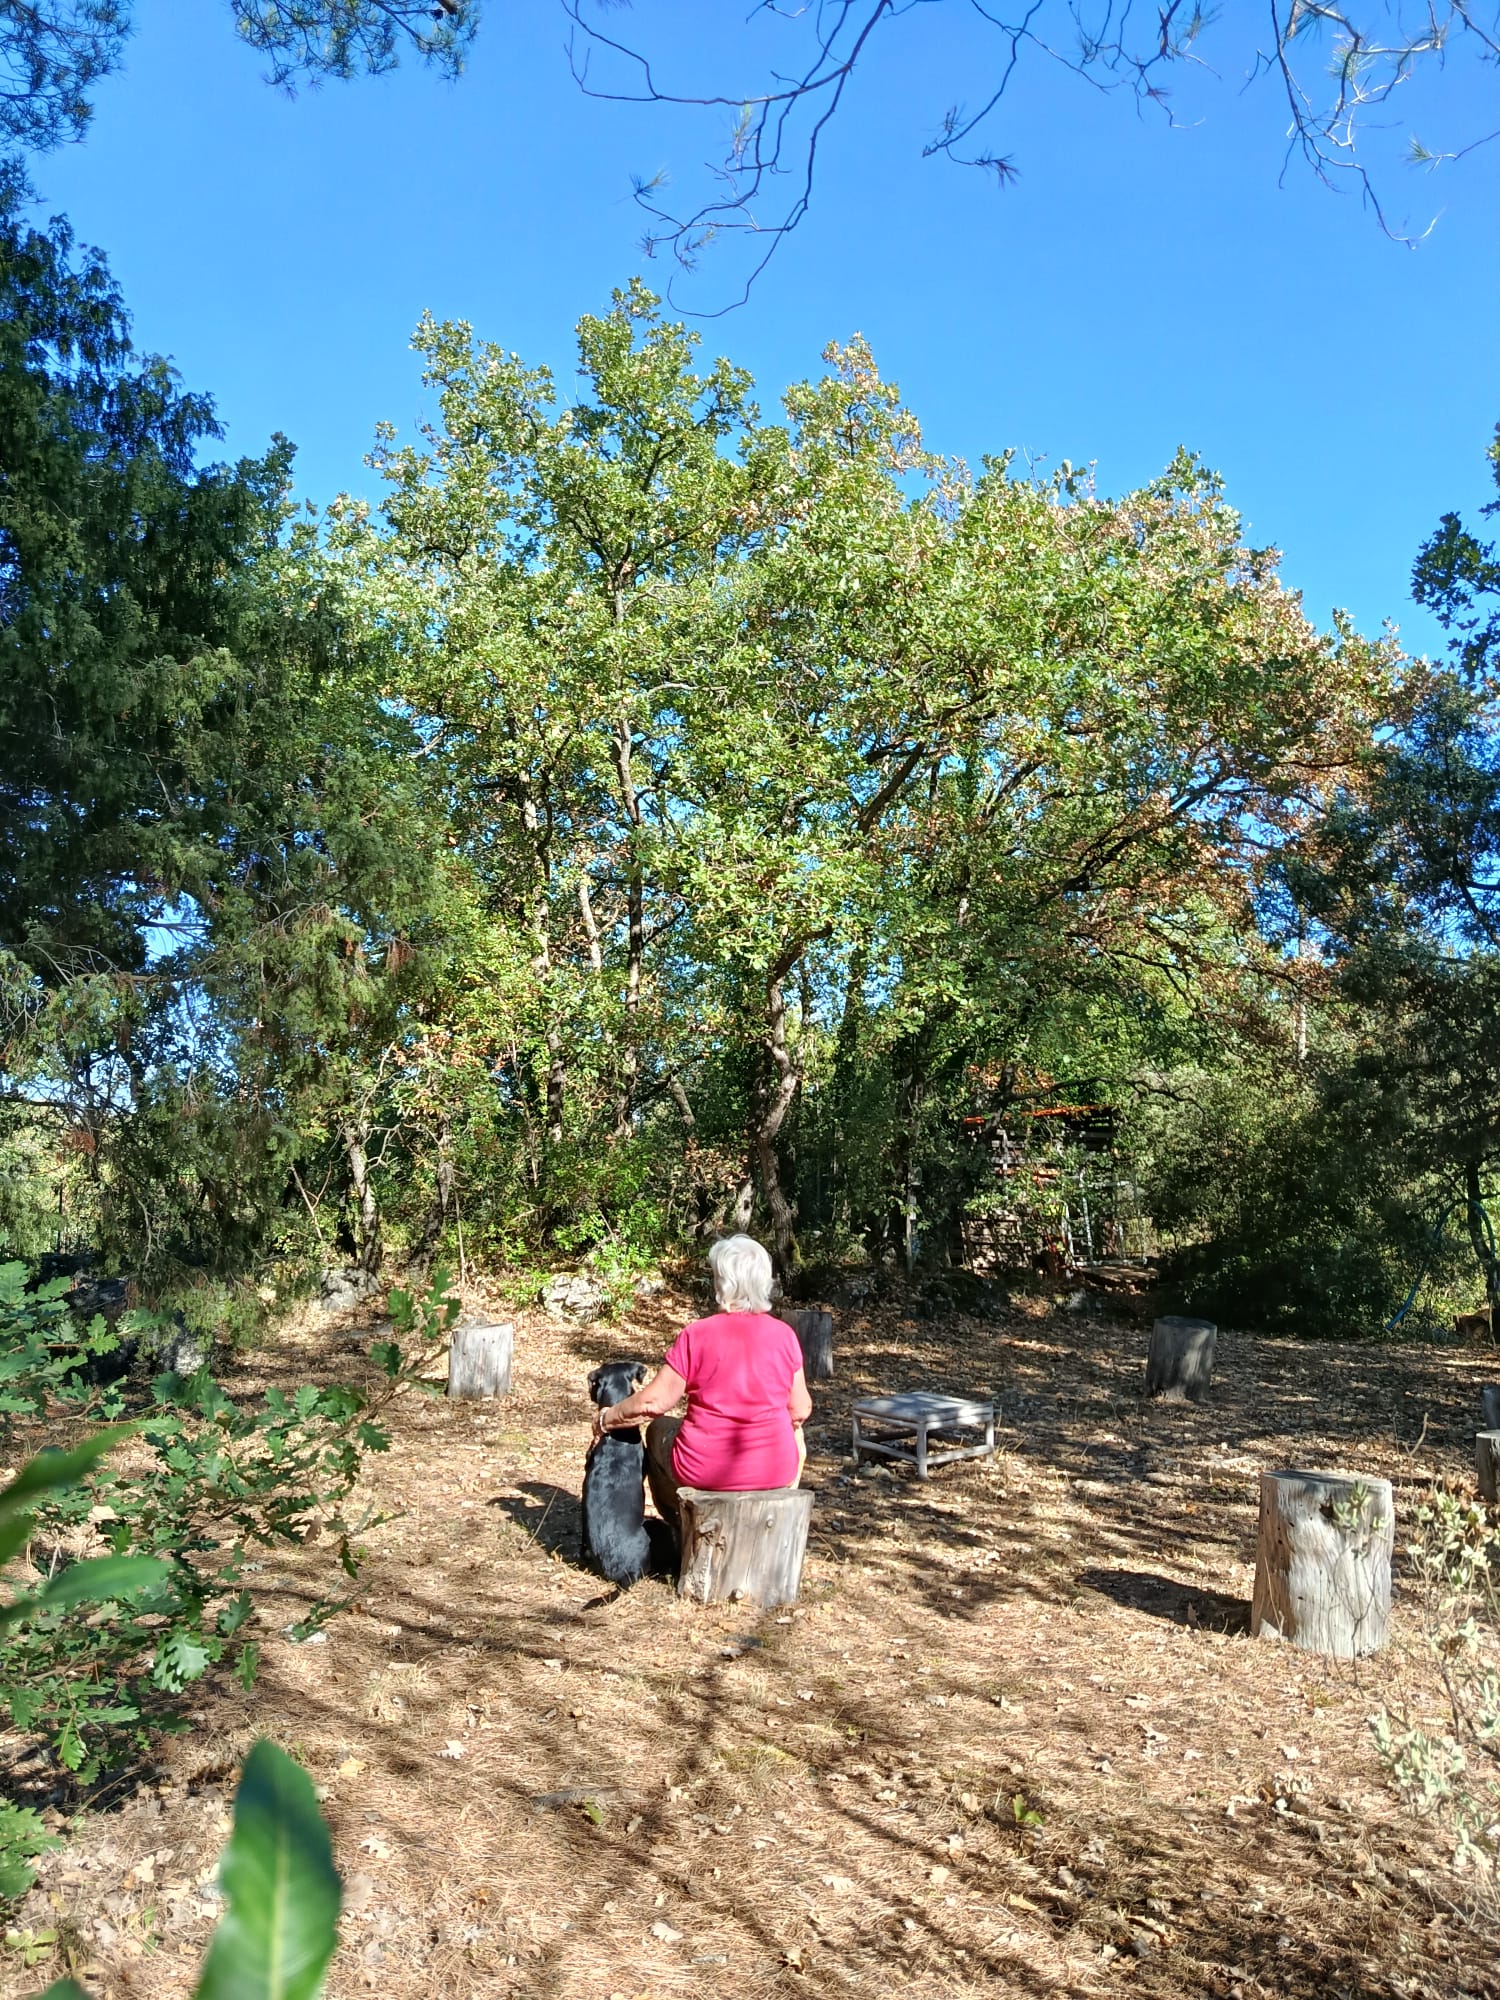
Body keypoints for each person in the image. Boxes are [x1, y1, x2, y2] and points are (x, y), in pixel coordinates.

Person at [591, 1235, 812, 1535]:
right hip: (775, 1469)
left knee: (658, 1429)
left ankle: (681, 1529)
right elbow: (800, 1410)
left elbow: (652, 1404)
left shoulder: (697, 1335)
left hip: (704, 1468)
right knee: (796, 1438)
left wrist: (606, 1419)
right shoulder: (785, 1335)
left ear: (722, 1284)